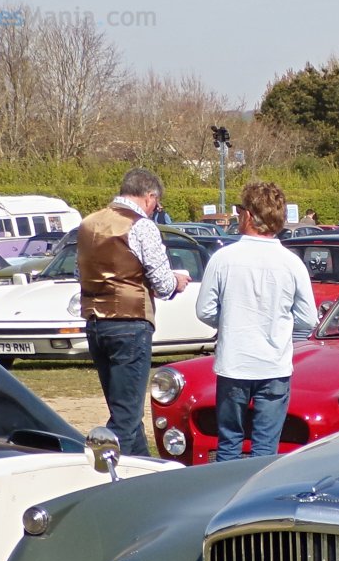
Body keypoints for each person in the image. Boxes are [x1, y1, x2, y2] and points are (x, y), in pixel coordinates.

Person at [194, 181, 317, 462]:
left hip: (234, 362)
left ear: (248, 215)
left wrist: (229, 322)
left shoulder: (223, 258)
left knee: (229, 444)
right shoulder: (291, 262)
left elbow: (204, 310)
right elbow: (308, 318)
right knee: (265, 450)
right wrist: (279, 326)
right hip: (273, 364)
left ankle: (226, 496)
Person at [77, 167, 190, 456]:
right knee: (125, 418)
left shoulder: (89, 223)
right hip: (130, 322)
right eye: (157, 203)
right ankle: (117, 476)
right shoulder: (140, 225)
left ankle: (143, 468)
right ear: (150, 197)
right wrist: (177, 281)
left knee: (123, 408)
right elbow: (163, 284)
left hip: (95, 322)